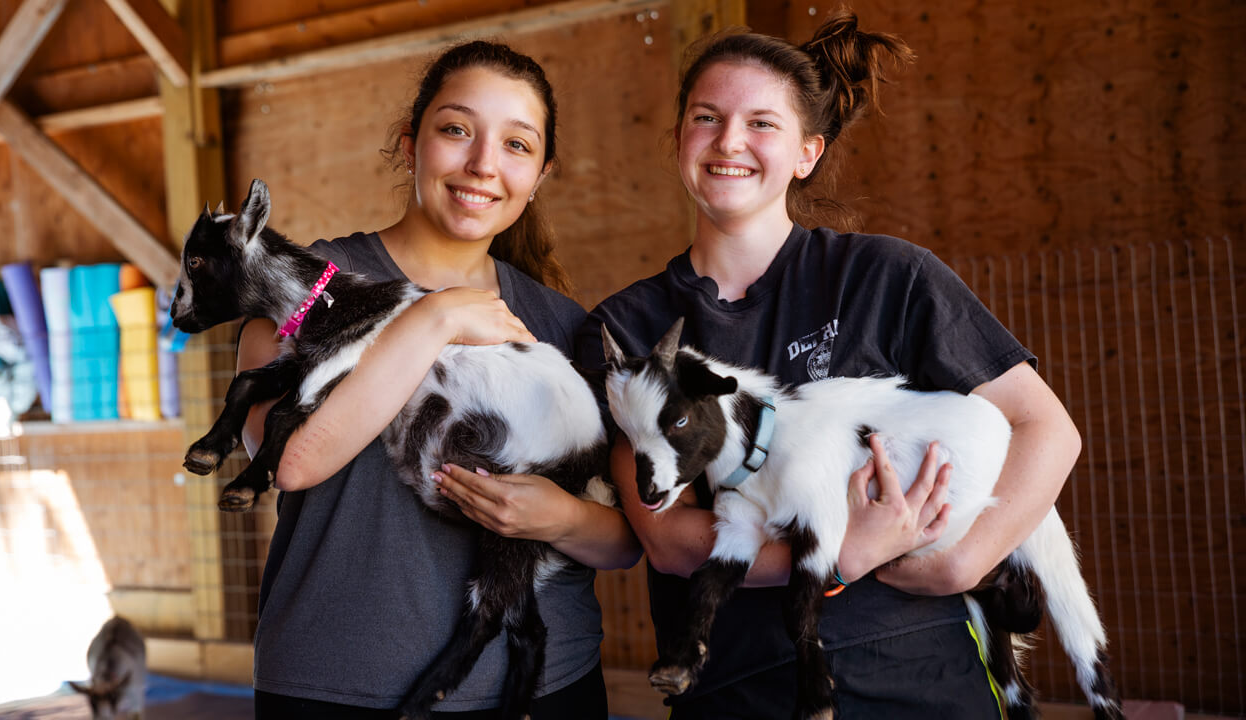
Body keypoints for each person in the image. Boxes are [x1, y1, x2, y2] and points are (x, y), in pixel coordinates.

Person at [574, 11, 1082, 720]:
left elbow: (1046, 428)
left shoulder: (886, 275)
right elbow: (669, 539)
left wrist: (961, 563)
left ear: (807, 152)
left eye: (762, 124)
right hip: (740, 689)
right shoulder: (625, 328)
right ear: (679, 138)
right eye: (706, 117)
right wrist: (847, 554)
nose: (729, 142)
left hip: (922, 681)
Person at [238, 41, 641, 719]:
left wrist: (562, 517)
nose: (483, 163)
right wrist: (433, 318)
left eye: (517, 145)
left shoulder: (562, 323)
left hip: (544, 687)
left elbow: (627, 538)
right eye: (456, 130)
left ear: (540, 174)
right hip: (339, 685)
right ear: (410, 145)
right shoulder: (307, 286)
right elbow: (282, 459)